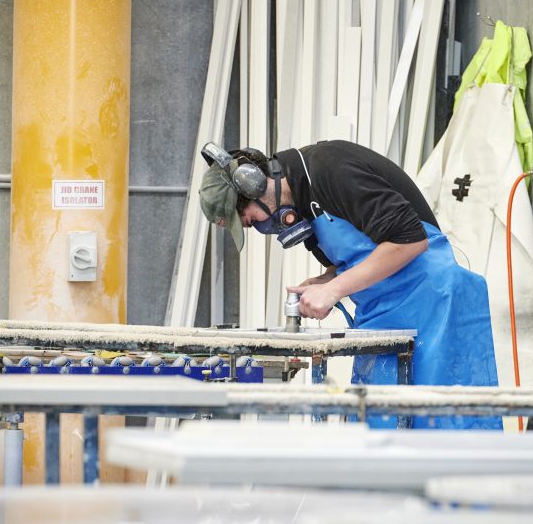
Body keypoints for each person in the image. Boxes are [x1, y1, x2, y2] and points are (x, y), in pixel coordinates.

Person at [198, 139, 501, 429]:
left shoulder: (331, 169)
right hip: (384, 317)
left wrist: (333, 290)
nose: (257, 227)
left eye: (248, 219)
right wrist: (327, 278)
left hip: (434, 307)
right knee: (380, 428)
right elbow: (360, 255)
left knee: (439, 426)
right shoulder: (303, 207)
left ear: (255, 184)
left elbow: (409, 241)